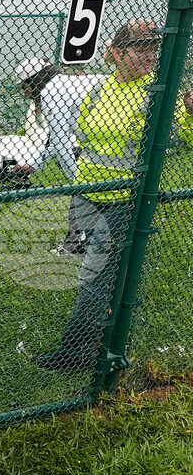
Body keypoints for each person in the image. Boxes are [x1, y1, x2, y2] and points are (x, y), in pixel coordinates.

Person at [34, 19, 193, 371]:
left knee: (93, 277)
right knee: (100, 272)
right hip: (87, 192)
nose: (150, 55)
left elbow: (186, 136)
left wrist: (192, 112)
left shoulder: (157, 91)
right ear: (118, 53)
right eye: (141, 48)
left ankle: (72, 354)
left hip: (123, 198)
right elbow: (85, 138)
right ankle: (107, 328)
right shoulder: (98, 89)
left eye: (154, 48)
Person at [16, 57, 107, 253]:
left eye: (26, 86)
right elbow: (55, 139)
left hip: (104, 145)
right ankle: (85, 242)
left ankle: (77, 245)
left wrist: (78, 179)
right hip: (108, 141)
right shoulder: (64, 83)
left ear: (34, 80)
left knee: (82, 197)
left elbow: (60, 142)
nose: (26, 93)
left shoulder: (51, 92)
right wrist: (33, 164)